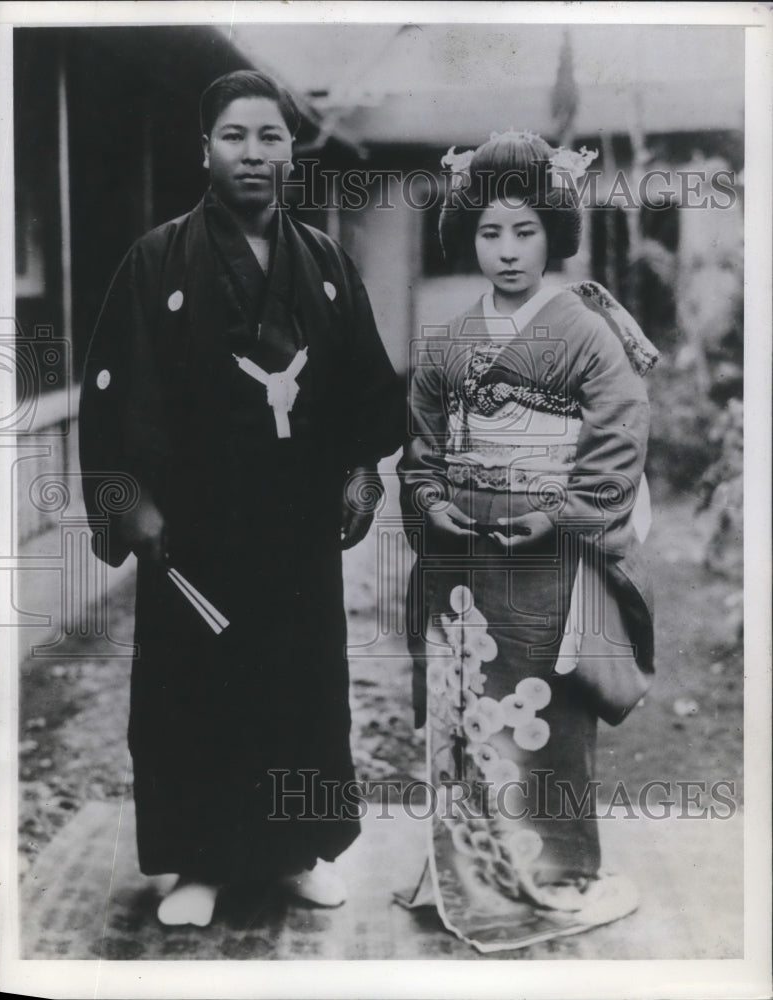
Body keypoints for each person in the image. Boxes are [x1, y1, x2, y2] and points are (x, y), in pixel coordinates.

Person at [79, 70, 405, 927]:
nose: (253, 153)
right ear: (204, 149)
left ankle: (295, 853)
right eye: (235, 135)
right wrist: (127, 502)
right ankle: (198, 865)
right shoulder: (158, 260)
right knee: (195, 694)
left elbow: (366, 389)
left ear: (291, 150)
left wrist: (362, 470)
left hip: (295, 530)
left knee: (297, 686)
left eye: (269, 135)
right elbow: (108, 401)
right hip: (192, 531)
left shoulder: (327, 264)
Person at [396, 129, 657, 952]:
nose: (506, 250)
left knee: (545, 713)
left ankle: (556, 872)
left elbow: (618, 438)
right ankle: (467, 869)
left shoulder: (584, 332)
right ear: (466, 235)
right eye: (488, 231)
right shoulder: (447, 338)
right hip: (464, 560)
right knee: (465, 707)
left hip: (545, 561)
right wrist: (429, 499)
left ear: (552, 234)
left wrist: (557, 513)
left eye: (523, 230)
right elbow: (422, 442)